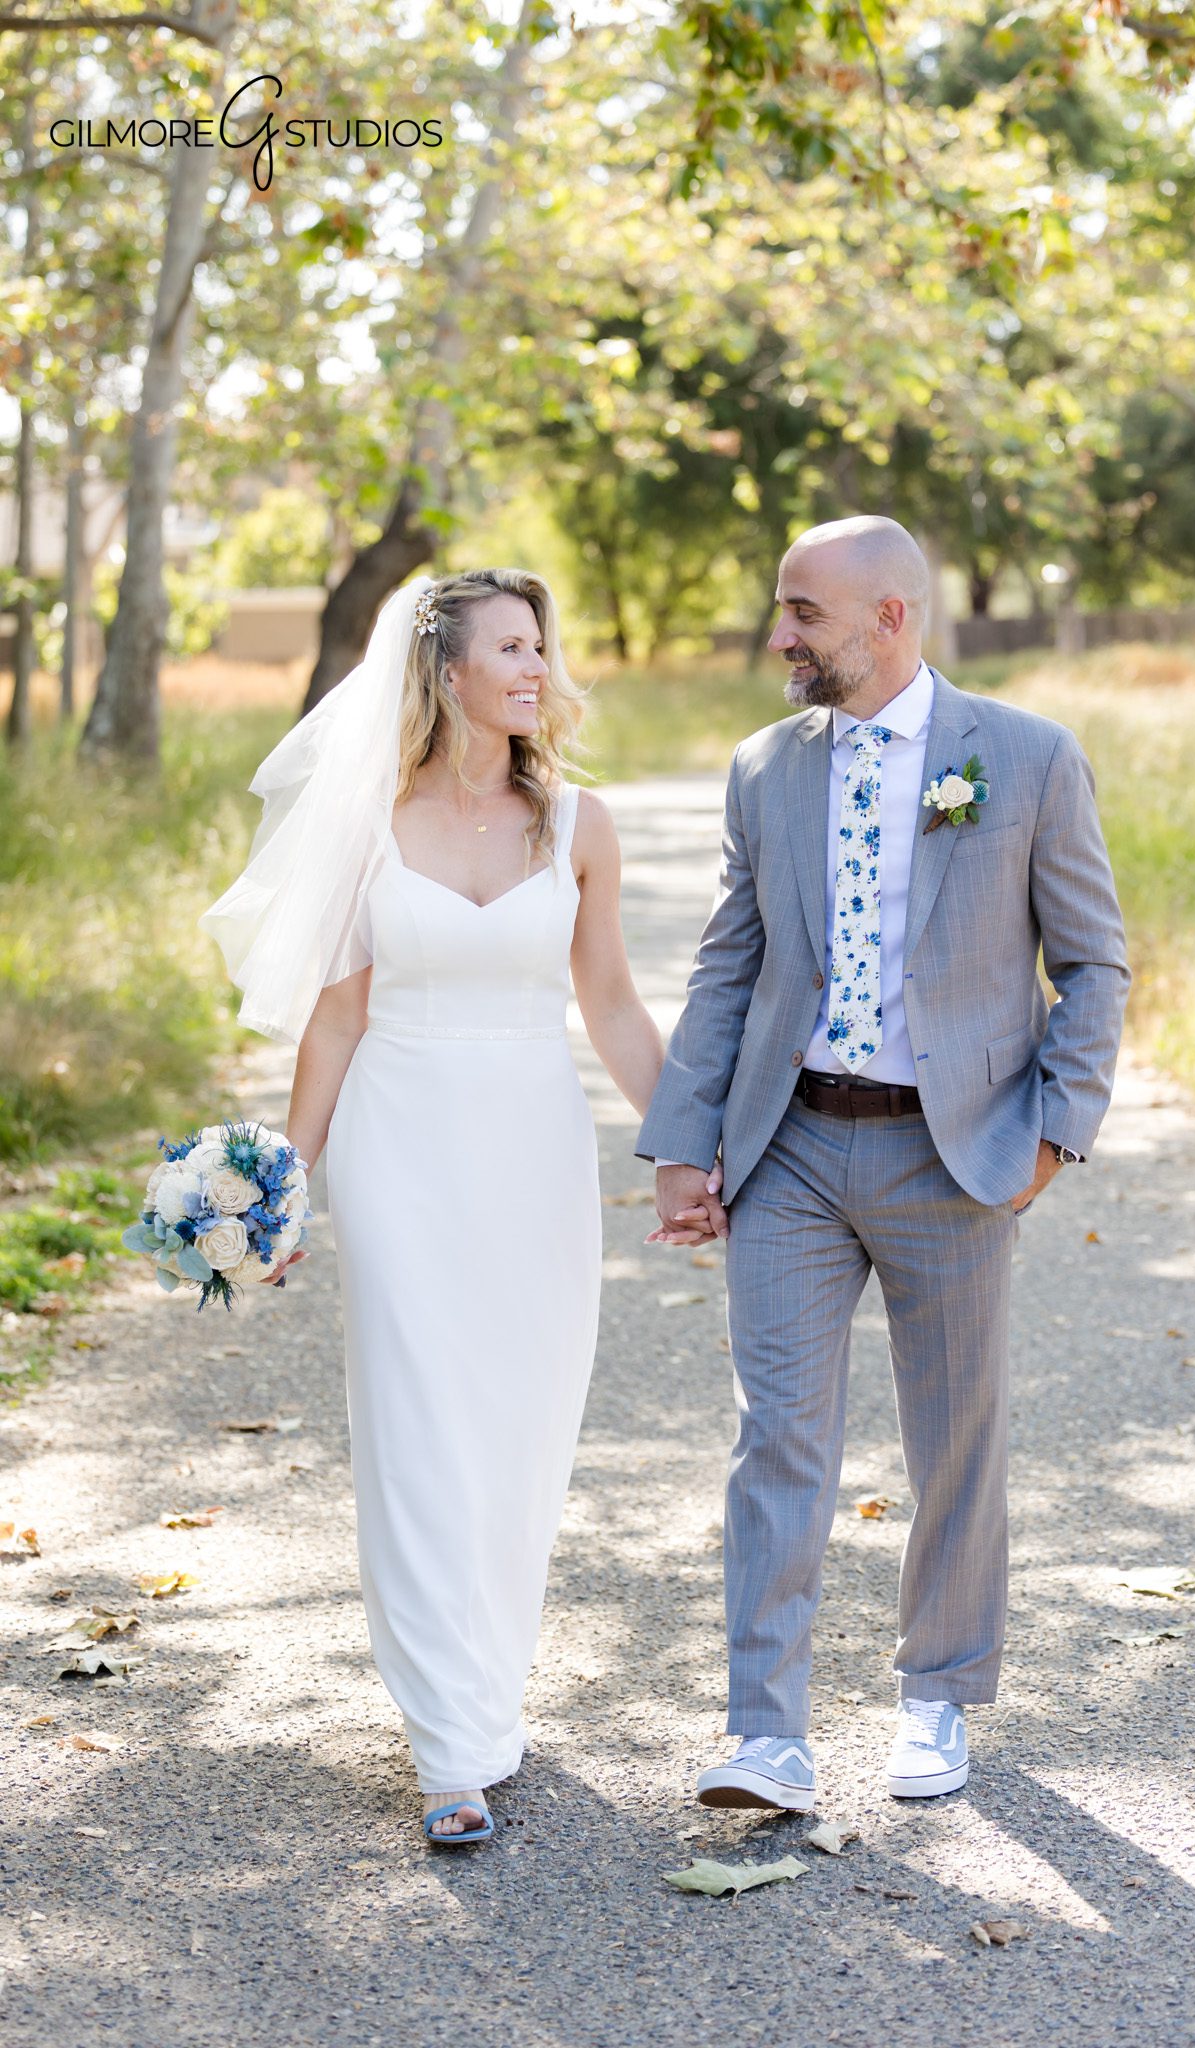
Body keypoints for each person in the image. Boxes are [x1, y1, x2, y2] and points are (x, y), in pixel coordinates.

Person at [639, 515, 1130, 1812]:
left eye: (803, 611)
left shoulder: (1023, 759)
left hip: (955, 1157)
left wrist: (1053, 1134)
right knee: (775, 1438)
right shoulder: (765, 767)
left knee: (954, 1441)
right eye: (783, 609)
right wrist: (685, 1143)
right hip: (790, 1145)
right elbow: (728, 963)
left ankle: (935, 1697)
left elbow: (1092, 962)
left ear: (891, 619)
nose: (779, 635)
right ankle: (764, 1734)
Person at [203, 570, 664, 1846]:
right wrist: (281, 1187)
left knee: (520, 1427)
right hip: (398, 1139)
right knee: (418, 1425)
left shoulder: (579, 824)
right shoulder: (370, 826)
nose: (534, 665)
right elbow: (337, 1018)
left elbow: (614, 1006)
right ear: (446, 671)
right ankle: (446, 1745)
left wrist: (692, 1149)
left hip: (533, 1141)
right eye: (508, 646)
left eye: (539, 644)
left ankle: (488, 1689)